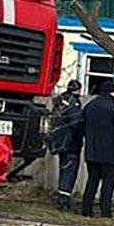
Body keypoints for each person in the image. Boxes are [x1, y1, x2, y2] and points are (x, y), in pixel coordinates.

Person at [80, 79, 114, 218]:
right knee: (108, 183)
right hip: (110, 154)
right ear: (112, 92)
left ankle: (86, 210)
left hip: (92, 151)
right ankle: (105, 211)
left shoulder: (89, 107)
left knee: (92, 181)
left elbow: (81, 128)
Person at [49, 79, 84, 212]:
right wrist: (79, 139)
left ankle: (62, 197)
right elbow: (76, 123)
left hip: (59, 141)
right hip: (70, 143)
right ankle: (64, 202)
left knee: (63, 168)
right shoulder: (73, 103)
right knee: (69, 171)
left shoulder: (61, 100)